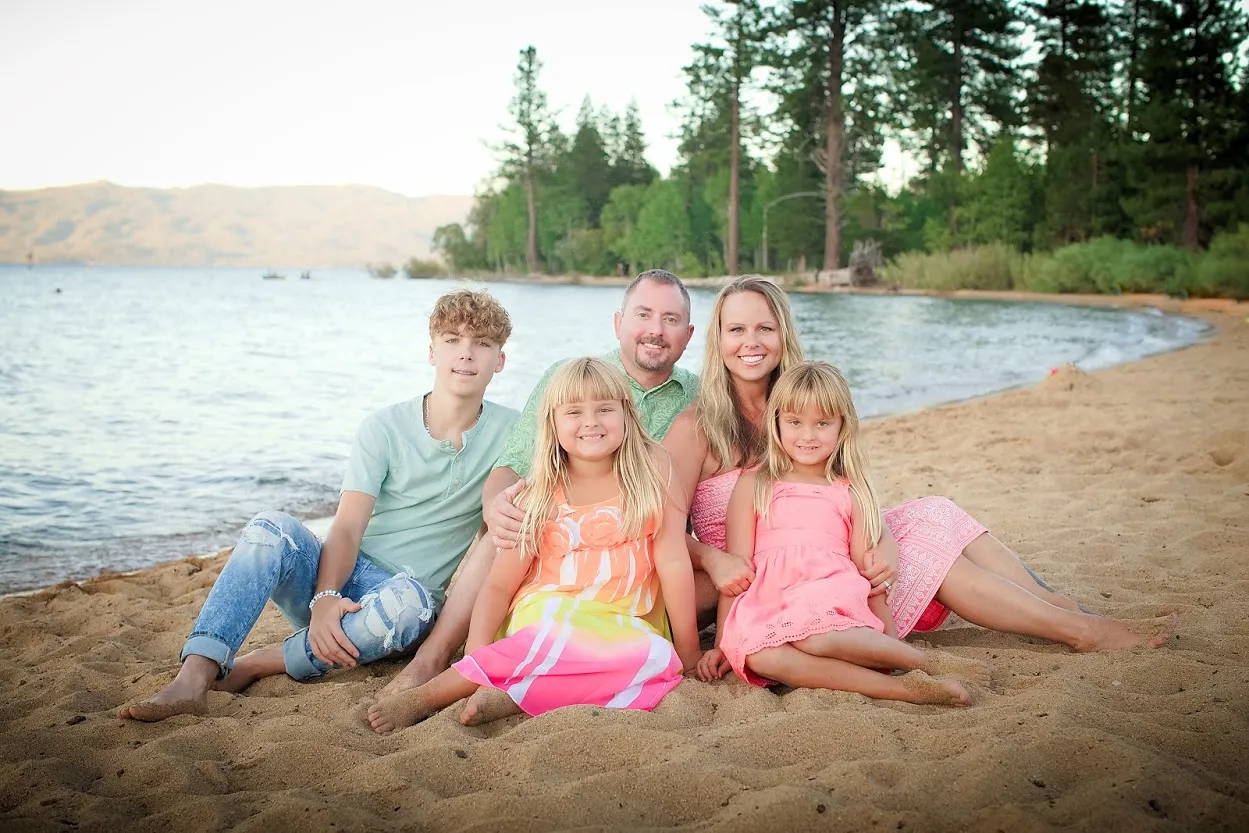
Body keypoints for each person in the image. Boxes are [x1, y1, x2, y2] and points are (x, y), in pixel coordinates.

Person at [664, 276, 1177, 653]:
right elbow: (657, 523)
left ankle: (1057, 605)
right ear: (718, 339)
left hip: (832, 543)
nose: (750, 342)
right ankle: (1078, 630)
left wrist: (879, 541)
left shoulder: (803, 403)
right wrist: (713, 560)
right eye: (736, 329)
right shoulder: (698, 425)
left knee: (934, 512)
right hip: (771, 569)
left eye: (764, 328)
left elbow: (845, 491)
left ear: (783, 334)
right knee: (931, 551)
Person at [118, 289, 519, 721]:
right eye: (452, 340)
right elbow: (346, 527)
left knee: (406, 604)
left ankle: (262, 661)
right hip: (340, 574)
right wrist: (325, 598)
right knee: (269, 528)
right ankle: (194, 678)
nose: (466, 354)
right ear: (431, 351)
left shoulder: (512, 433)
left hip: (404, 600)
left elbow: (496, 533)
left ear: (499, 360)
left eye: (482, 343)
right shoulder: (383, 428)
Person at [383, 269, 699, 696]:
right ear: (618, 322)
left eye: (671, 319)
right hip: (561, 546)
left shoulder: (701, 398)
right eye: (643, 314)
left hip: (643, 554)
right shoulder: (568, 381)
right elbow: (511, 467)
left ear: (689, 332)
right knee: (511, 522)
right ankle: (436, 655)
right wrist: (496, 506)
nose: (656, 330)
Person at [366, 358, 700, 733]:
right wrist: (477, 656)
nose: (591, 421)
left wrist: (688, 652)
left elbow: (673, 562)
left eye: (605, 409)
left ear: (627, 414)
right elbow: (498, 584)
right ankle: (425, 697)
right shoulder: (539, 490)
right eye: (574, 412)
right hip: (547, 611)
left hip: (625, 619)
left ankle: (513, 695)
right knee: (549, 639)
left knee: (656, 658)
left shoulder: (655, 469)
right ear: (552, 425)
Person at [696, 361, 991, 705]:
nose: (807, 435)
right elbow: (738, 570)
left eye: (822, 423)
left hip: (828, 595)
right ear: (776, 422)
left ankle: (919, 661)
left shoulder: (848, 489)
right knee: (760, 656)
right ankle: (906, 690)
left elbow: (870, 577)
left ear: (841, 426)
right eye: (795, 422)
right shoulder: (754, 482)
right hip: (768, 602)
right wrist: (721, 646)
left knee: (815, 637)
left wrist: (890, 638)